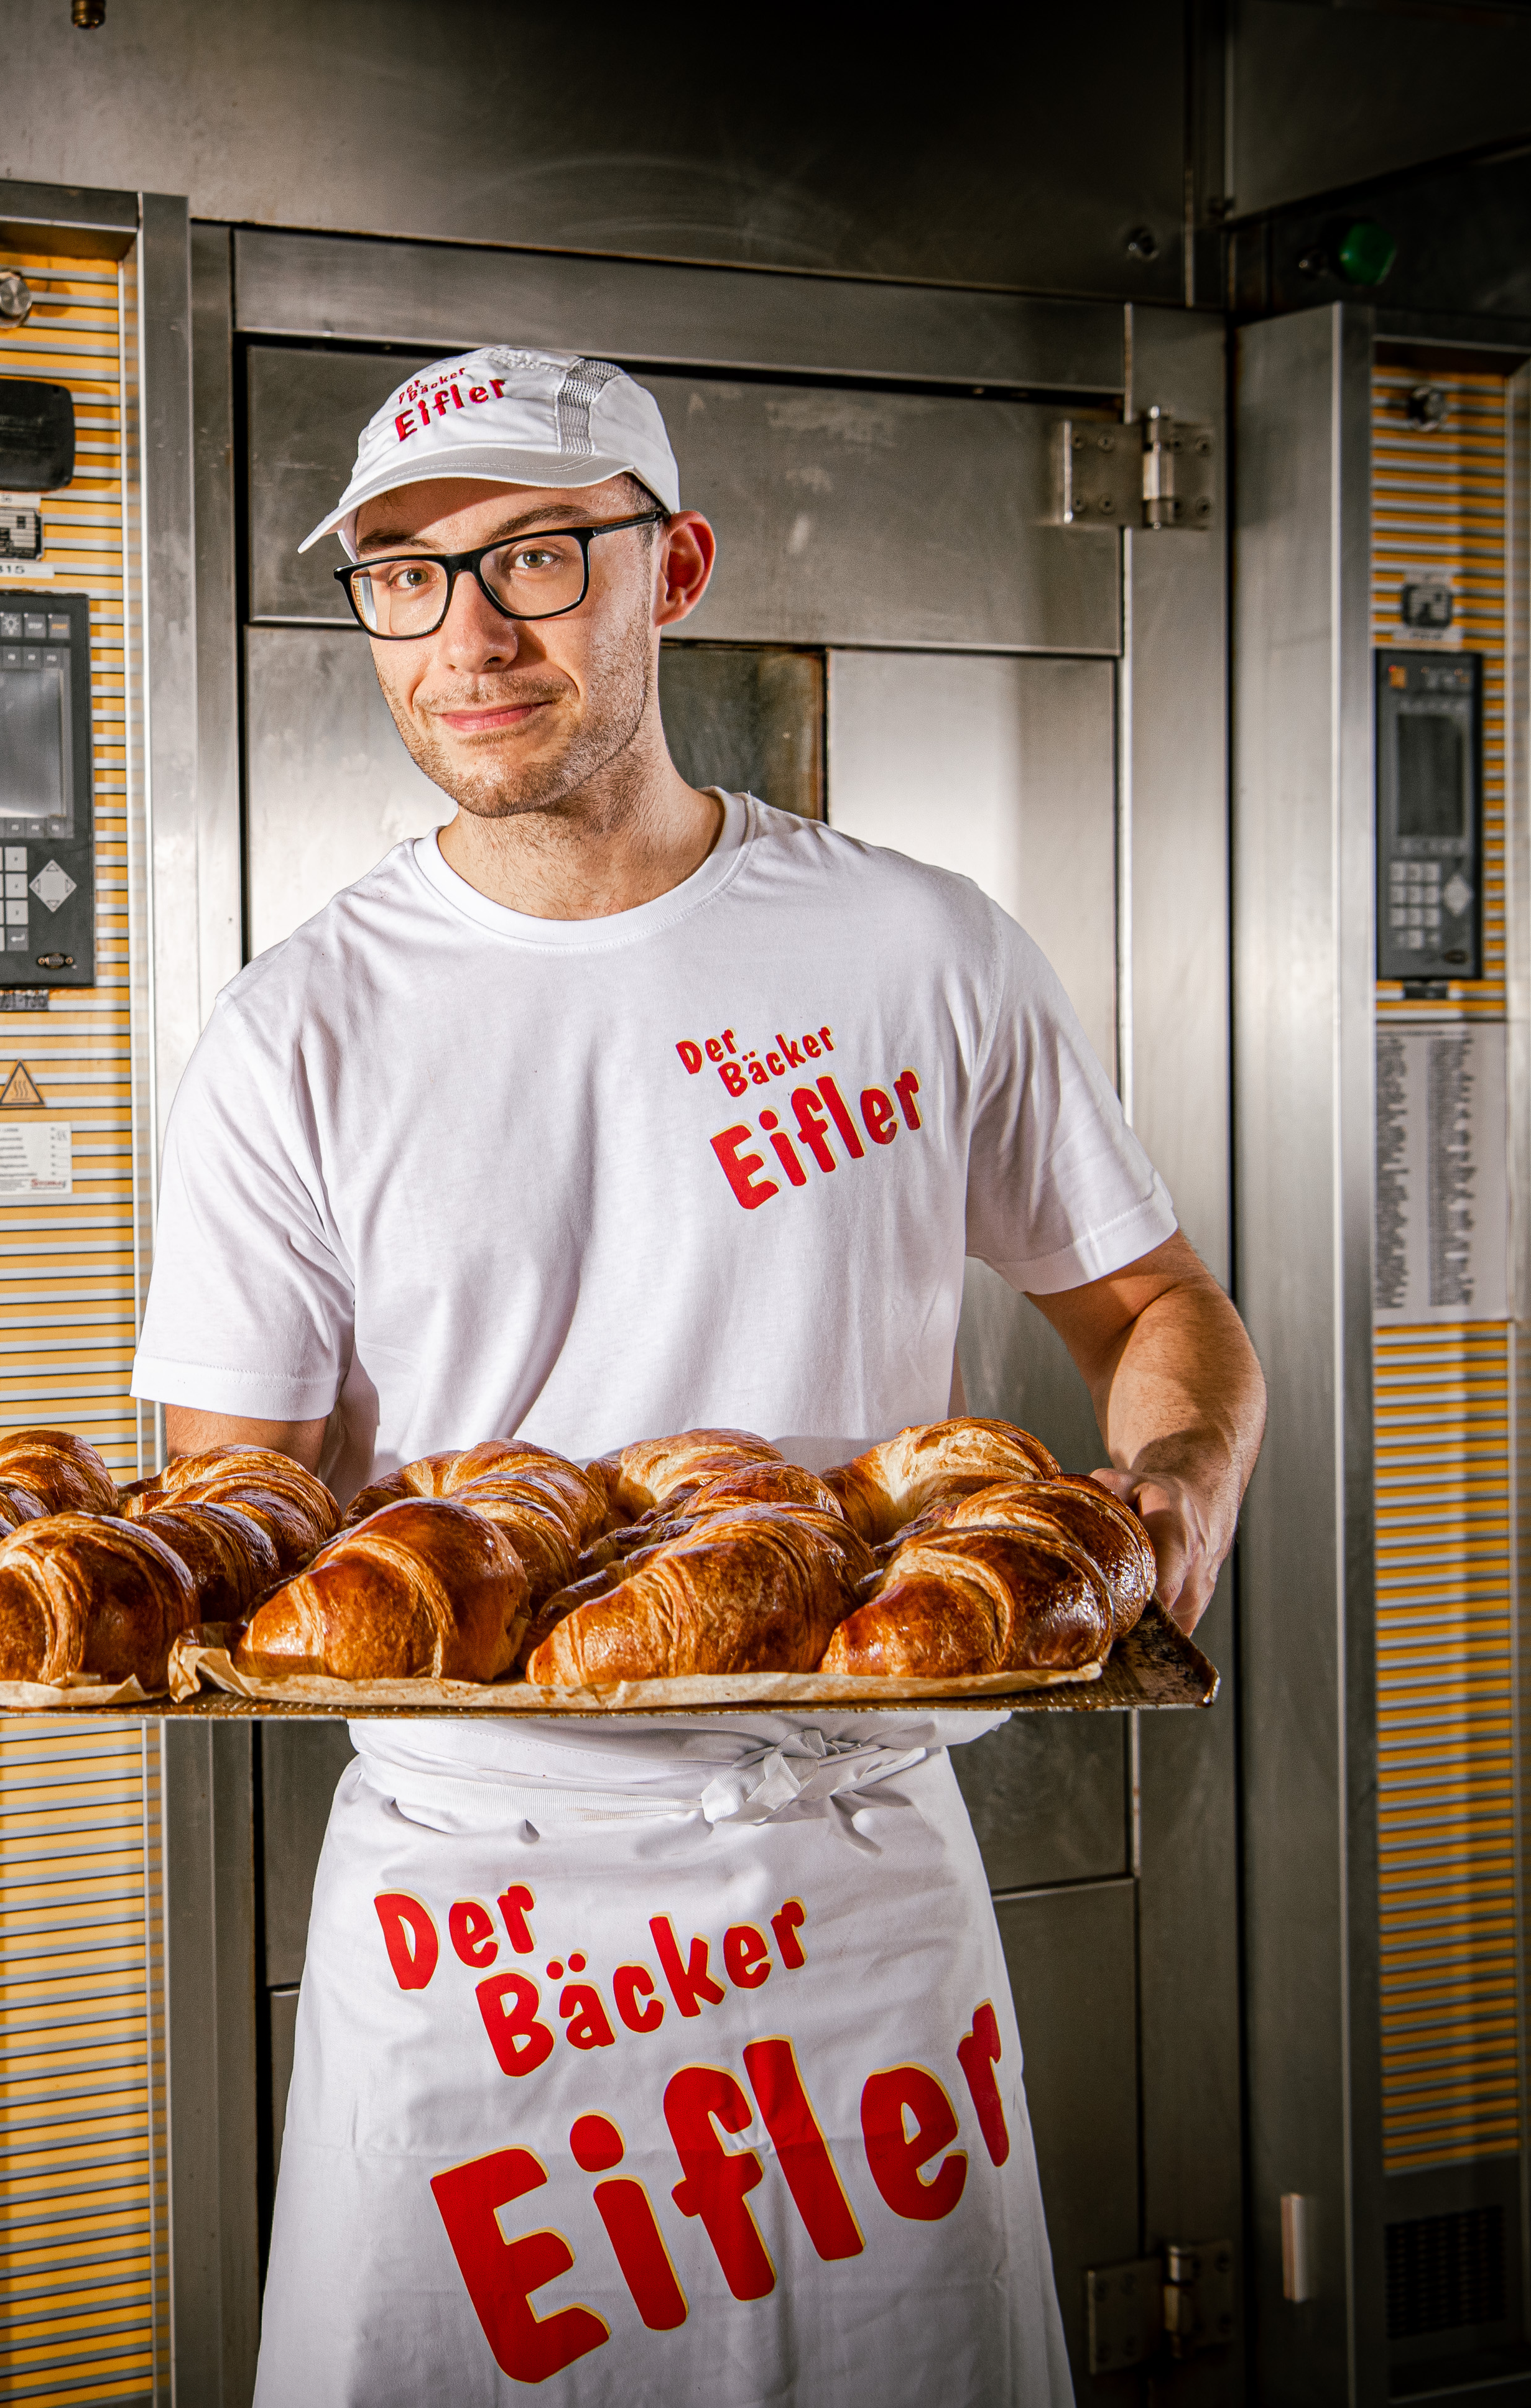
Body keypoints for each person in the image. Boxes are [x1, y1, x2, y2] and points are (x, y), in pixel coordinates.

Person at [130, 347, 1265, 2404]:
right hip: (477, 1923)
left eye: (536, 557)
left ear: (676, 570)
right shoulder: (289, 1031)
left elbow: (1156, 1306)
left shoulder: (916, 953)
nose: (465, 634)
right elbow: (249, 1508)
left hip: (845, 1876)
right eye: (400, 572)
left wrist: (1177, 1481)